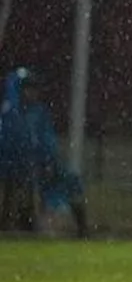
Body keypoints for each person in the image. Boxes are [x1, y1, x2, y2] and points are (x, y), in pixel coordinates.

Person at [0, 68, 89, 238]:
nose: (32, 92)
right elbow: (10, 145)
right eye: (27, 87)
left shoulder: (39, 112)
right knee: (22, 188)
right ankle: (24, 225)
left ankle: (82, 229)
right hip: (18, 168)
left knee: (72, 180)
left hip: (43, 166)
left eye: (34, 87)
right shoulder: (9, 114)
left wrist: (50, 161)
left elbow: (48, 141)